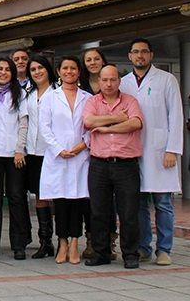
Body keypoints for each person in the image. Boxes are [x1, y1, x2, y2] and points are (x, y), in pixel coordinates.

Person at [120, 38, 183, 266]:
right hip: (132, 150)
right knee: (138, 203)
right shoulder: (123, 83)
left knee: (163, 202)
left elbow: (176, 115)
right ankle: (143, 247)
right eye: (136, 52)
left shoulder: (166, 79)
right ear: (130, 56)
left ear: (151, 55)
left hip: (159, 151)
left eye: (144, 52)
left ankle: (164, 249)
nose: (140, 56)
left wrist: (172, 150)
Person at [83, 64, 144, 269]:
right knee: (99, 211)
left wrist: (105, 128)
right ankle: (101, 253)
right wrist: (117, 119)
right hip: (99, 164)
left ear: (119, 81)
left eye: (112, 79)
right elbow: (88, 121)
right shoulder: (92, 101)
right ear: (99, 81)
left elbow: (135, 123)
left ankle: (130, 254)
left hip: (126, 165)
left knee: (129, 212)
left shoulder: (130, 101)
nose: (109, 84)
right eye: (105, 80)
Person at [38, 56, 91, 265]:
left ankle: (75, 242)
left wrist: (81, 146)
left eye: (73, 68)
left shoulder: (88, 98)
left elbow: (91, 127)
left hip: (80, 156)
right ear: (59, 71)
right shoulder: (50, 97)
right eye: (65, 68)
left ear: (79, 72)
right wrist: (59, 150)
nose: (69, 71)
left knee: (78, 201)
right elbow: (44, 127)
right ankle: (62, 242)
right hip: (57, 157)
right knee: (60, 202)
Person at [0, 57, 31, 260]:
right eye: (0, 69)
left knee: (16, 197)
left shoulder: (20, 93)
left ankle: (19, 244)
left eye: (7, 69)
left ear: (12, 73)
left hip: (14, 153)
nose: (3, 72)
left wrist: (20, 149)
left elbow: (23, 123)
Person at [77, 47, 111, 260]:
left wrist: (103, 124)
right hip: (84, 148)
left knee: (109, 200)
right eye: (88, 59)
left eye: (96, 58)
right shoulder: (80, 86)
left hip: (110, 147)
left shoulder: (112, 84)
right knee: (90, 198)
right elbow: (86, 121)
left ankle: (111, 240)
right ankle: (92, 240)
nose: (92, 62)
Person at [23, 54, 57, 260]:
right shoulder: (28, 93)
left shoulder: (58, 92)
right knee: (39, 195)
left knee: (55, 196)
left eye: (40, 68)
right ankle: (45, 241)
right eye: (33, 69)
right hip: (32, 151)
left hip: (52, 152)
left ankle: (63, 239)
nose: (37, 72)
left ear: (48, 69)